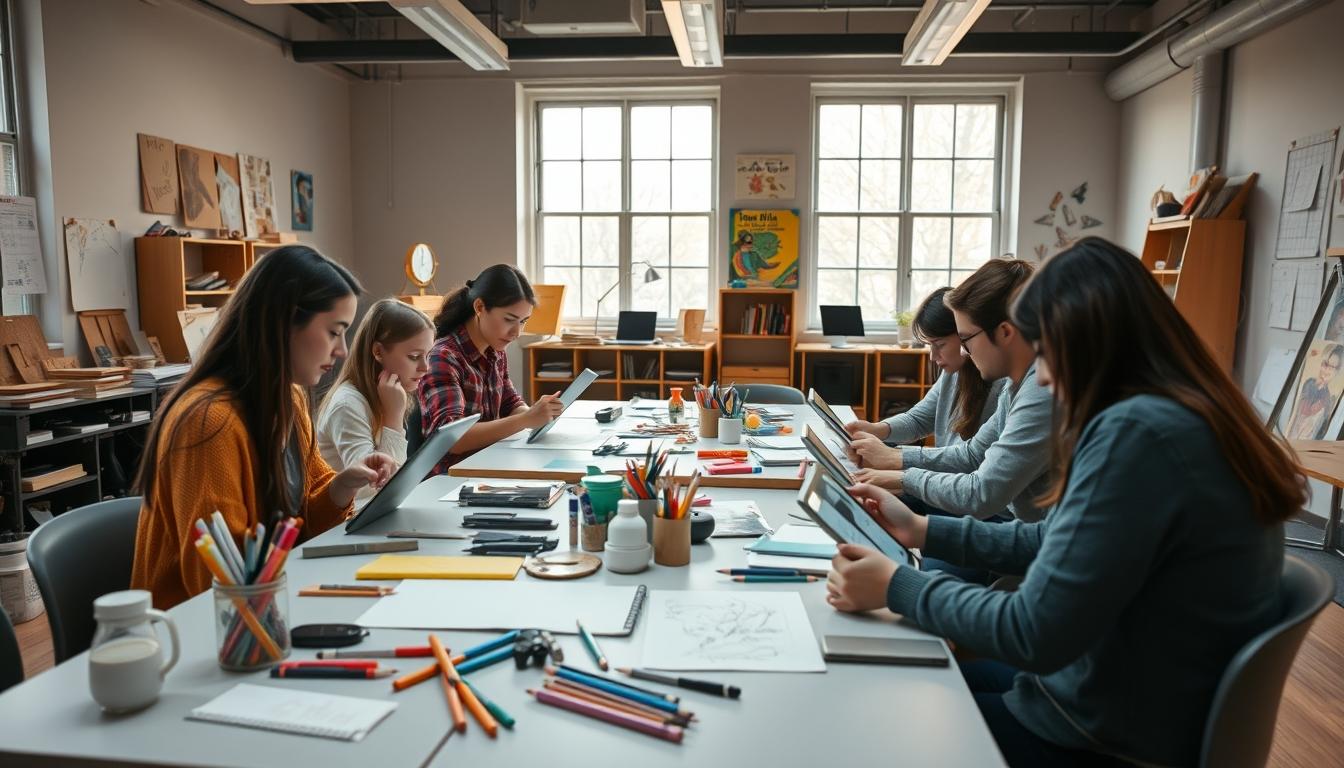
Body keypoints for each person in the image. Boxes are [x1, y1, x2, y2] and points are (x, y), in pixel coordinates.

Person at [827, 237, 1301, 767]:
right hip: (1112, 702)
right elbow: (1058, 539)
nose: (1044, 380)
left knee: (875, 713)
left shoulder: (1138, 437)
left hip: (1102, 735)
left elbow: (1032, 631)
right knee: (907, 680)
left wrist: (897, 585)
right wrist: (923, 531)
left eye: (1046, 353)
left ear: (1088, 344)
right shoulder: (1184, 417)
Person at [132, 246, 396, 609]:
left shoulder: (288, 398)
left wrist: (342, 485)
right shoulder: (209, 420)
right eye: (334, 332)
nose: (343, 351)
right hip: (201, 624)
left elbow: (303, 519)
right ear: (284, 324)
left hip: (265, 603)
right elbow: (217, 574)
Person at [847, 259, 1053, 524]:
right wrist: (893, 461)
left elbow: (981, 494)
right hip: (1019, 529)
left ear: (1005, 332)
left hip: (1022, 533)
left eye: (965, 339)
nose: (964, 352)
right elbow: (972, 455)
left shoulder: (1041, 389)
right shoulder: (1017, 384)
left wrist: (900, 474)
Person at [418, 264, 564, 475]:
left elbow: (510, 403)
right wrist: (526, 419)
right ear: (479, 307)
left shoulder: (495, 351)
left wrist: (538, 416)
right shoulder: (443, 357)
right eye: (509, 320)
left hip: (488, 468)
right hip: (450, 480)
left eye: (523, 321)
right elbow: (451, 440)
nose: (517, 332)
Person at [846, 287, 1005, 453]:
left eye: (940, 344)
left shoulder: (1002, 385)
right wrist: (875, 429)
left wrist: (893, 456)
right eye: (930, 345)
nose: (932, 356)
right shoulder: (953, 372)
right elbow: (918, 420)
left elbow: (969, 459)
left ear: (965, 333)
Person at [316, 298, 435, 509]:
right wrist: (393, 418)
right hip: (348, 519)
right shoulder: (347, 404)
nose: (425, 367)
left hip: (376, 511)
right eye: (414, 356)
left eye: (428, 355)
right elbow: (373, 486)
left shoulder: (387, 395)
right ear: (378, 352)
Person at [1287, 343, 1342, 440]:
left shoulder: (1328, 400)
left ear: (1337, 372)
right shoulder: (1308, 383)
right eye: (1325, 364)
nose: (1326, 370)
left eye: (1332, 367)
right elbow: (1295, 413)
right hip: (1289, 435)